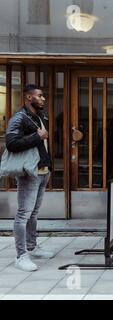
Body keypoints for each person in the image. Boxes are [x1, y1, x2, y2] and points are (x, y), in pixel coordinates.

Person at [5, 84, 54, 272]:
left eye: (43, 96)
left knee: (33, 213)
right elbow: (11, 143)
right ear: (28, 98)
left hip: (42, 171)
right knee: (23, 214)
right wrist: (36, 136)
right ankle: (21, 256)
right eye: (39, 96)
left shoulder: (39, 116)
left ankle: (32, 247)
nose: (43, 99)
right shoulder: (19, 118)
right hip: (30, 173)